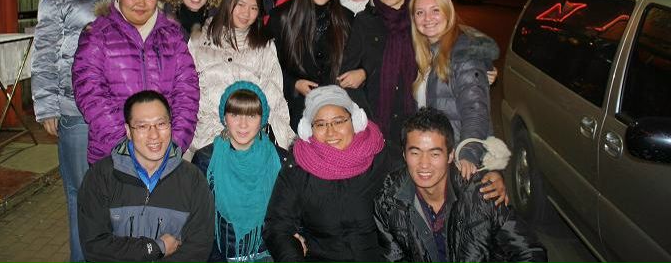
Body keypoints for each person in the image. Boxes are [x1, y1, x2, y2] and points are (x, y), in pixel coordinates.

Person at [31, 0, 120, 263]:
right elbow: (44, 52)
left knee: (120, 190)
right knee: (82, 193)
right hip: (75, 108)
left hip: (120, 107)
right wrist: (47, 107)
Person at [374, 107, 547, 263]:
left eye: (435, 154)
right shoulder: (388, 202)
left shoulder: (482, 194)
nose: (424, 164)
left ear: (450, 155)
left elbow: (530, 252)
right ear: (404, 155)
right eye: (415, 153)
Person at [73, 0, 199, 164]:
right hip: (113, 154)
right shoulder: (97, 35)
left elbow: (187, 92)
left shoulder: (172, 36)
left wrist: (174, 144)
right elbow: (90, 94)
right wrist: (125, 147)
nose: (141, 3)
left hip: (165, 152)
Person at [263, 85, 397, 263]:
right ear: (308, 130)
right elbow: (277, 226)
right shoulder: (297, 169)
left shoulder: (382, 158)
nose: (331, 131)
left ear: (355, 121)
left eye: (339, 121)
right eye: (320, 124)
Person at [78, 91, 215, 263]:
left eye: (161, 124)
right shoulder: (101, 177)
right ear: (128, 131)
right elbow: (95, 247)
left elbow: (198, 248)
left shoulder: (193, 179)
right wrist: (155, 248)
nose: (154, 135)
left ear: (171, 126)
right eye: (142, 126)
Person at [189, 0, 296, 153]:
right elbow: (188, 92)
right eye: (240, 5)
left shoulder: (263, 45)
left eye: (253, 8)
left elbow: (274, 96)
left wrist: (283, 140)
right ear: (228, 3)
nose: (246, 13)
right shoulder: (200, 40)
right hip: (206, 138)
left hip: (250, 137)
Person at [409, 0, 500, 178]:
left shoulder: (464, 55)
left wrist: (467, 154)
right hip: (437, 154)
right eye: (420, 12)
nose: (427, 18)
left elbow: (475, 110)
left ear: (448, 13)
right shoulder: (425, 53)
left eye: (435, 10)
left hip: (458, 158)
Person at [192, 82, 286, 263]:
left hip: (269, 255)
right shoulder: (205, 160)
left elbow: (290, 219)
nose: (243, 124)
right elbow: (199, 224)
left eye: (251, 115)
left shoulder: (281, 160)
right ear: (224, 117)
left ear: (262, 118)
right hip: (222, 257)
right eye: (235, 114)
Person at [266, 0, 357, 130]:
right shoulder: (281, 17)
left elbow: (359, 59)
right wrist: (293, 84)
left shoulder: (346, 18)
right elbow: (267, 65)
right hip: (295, 110)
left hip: (337, 109)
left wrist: (362, 73)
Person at [341, 0, 417, 146]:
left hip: (420, 120)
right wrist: (367, 119)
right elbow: (346, 76)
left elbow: (450, 44)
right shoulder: (365, 22)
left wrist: (479, 64)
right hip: (378, 123)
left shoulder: (421, 16)